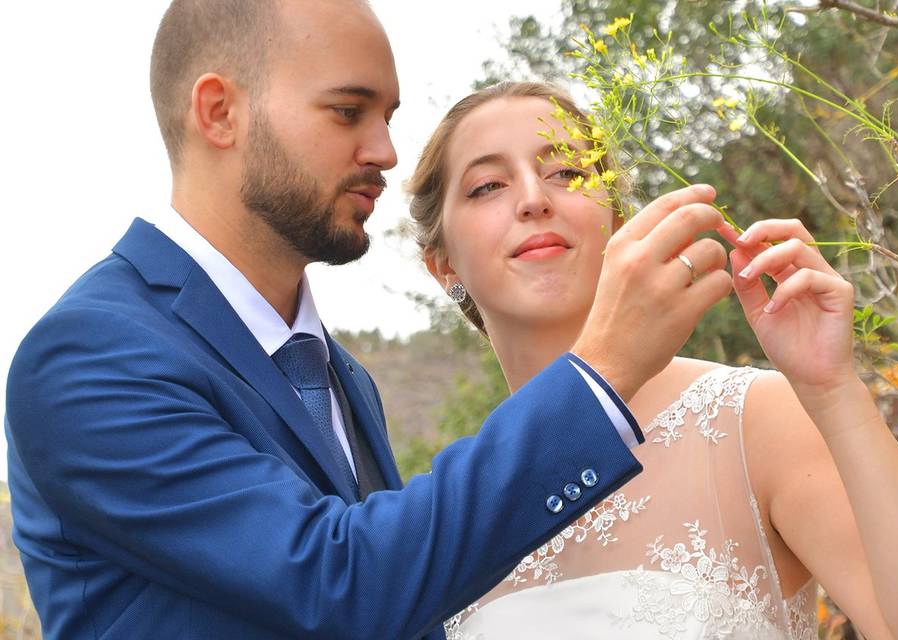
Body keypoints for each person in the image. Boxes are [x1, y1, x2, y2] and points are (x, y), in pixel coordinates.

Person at [3, 3, 737, 639]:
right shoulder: (90, 356)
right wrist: (602, 371)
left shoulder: (337, 373)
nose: (384, 152)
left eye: (386, 118)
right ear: (219, 111)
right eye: (348, 111)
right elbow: (341, 584)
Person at [407, 81, 898, 639]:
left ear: (618, 222)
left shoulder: (754, 421)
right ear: (443, 266)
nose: (533, 198)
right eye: (487, 186)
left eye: (568, 174)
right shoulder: (451, 516)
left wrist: (835, 392)